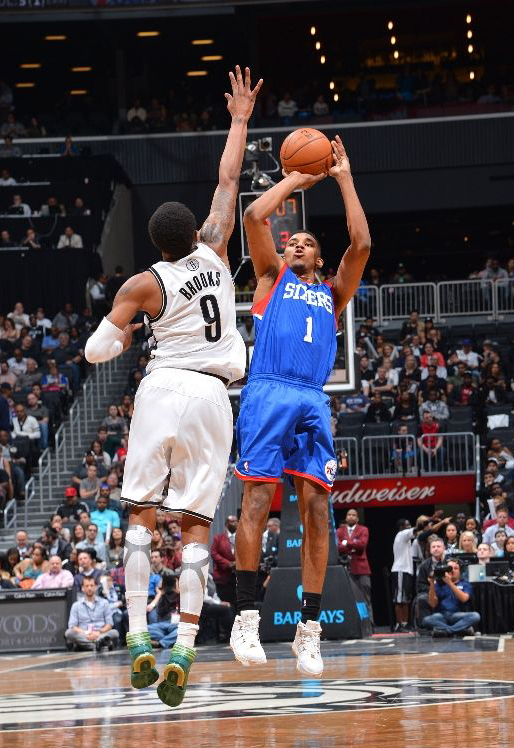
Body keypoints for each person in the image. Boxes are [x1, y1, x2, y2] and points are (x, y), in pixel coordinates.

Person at [84, 66, 261, 707]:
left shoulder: (143, 284)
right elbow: (228, 180)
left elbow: (95, 350)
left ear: (155, 243)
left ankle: (138, 637)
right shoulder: (216, 250)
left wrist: (127, 335)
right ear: (195, 234)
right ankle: (184, 649)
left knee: (139, 515)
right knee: (193, 529)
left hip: (163, 389)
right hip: (215, 397)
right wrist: (238, 119)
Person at [232, 135, 370, 678]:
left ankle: (308, 630)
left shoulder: (334, 293)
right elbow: (254, 216)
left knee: (316, 510)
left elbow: (361, 243)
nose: (296, 245)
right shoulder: (271, 278)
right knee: (255, 501)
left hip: (312, 398)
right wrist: (294, 177)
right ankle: (246, 618)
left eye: (307, 243)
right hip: (268, 390)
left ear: (318, 257)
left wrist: (343, 177)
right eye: (292, 241)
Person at [421, 558, 481, 638]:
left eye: (456, 568)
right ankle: (459, 630)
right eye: (450, 568)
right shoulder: (439, 584)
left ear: (460, 571)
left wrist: (449, 583)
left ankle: (446, 631)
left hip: (458, 615)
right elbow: (433, 604)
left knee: (475, 616)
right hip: (442, 615)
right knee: (426, 620)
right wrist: (432, 583)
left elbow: (464, 598)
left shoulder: (464, 583)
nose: (452, 570)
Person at [336, 509, 372, 624]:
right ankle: (353, 623)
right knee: (349, 598)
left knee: (365, 597)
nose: (351, 517)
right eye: (349, 515)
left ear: (357, 518)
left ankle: (369, 623)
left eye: (353, 515)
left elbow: (362, 544)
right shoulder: (340, 531)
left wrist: (346, 543)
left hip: (361, 568)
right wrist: (352, 544)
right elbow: (338, 547)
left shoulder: (363, 529)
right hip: (346, 568)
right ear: (346, 517)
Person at [65, 575, 119, 651]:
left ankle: (90, 645)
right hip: (84, 634)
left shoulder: (104, 603)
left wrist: (98, 632)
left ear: (95, 587)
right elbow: (72, 626)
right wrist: (86, 633)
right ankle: (98, 645)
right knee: (69, 633)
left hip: (100, 633)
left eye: (91, 585)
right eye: (87, 586)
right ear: (82, 588)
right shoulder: (76, 605)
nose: (89, 588)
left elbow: (109, 624)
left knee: (115, 633)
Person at [210, 515, 237, 604]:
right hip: (222, 576)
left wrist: (238, 563)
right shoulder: (218, 538)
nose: (235, 523)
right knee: (224, 602)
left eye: (236, 521)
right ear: (226, 524)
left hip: (238, 577)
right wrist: (228, 563)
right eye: (232, 521)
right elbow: (214, 553)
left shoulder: (241, 538)